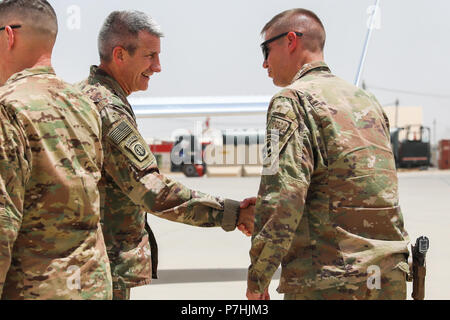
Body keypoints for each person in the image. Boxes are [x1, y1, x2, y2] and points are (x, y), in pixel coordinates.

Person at [77, 11, 255, 300]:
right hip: (101, 270)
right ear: (119, 54)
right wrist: (233, 213)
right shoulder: (108, 109)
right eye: (150, 56)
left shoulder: (84, 95)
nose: (158, 67)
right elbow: (153, 191)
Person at [245, 8, 410, 300]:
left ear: (291, 41)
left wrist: (259, 275)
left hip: (331, 280)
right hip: (388, 276)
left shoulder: (290, 101)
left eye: (266, 50)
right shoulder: (366, 100)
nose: (263, 63)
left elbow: (283, 197)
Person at [0, 0, 112, 299]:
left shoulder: (7, 107)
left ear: (8, 36)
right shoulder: (85, 105)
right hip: (92, 285)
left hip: (34, 288)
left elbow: (2, 220)